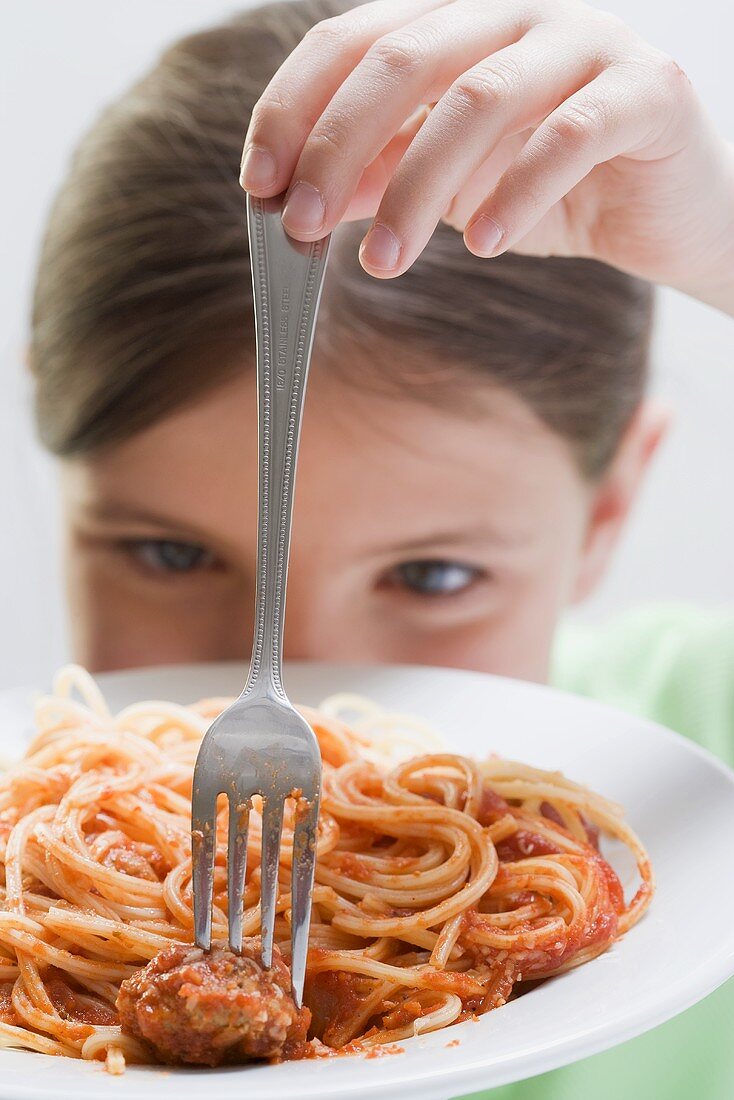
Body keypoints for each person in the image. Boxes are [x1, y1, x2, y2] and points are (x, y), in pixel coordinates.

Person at [28, 0, 733, 1096]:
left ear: (608, 509)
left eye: (433, 575)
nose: (305, 689)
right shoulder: (35, 845)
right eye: (169, 554)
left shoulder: (699, 720)